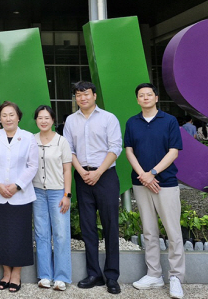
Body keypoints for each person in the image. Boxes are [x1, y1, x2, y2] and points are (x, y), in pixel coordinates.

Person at [124, 83, 185, 299]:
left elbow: (174, 152)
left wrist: (153, 172)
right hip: (141, 183)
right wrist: (143, 175)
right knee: (149, 231)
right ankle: (154, 274)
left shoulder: (169, 121)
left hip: (165, 182)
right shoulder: (132, 122)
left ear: (156, 98)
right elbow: (129, 151)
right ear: (137, 99)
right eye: (141, 95)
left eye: (149, 94)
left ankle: (176, 277)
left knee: (173, 231)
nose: (145, 97)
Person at [63, 81, 122, 295]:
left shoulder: (108, 118)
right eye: (78, 95)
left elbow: (115, 147)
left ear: (94, 96)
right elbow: (68, 149)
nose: (82, 98)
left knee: (110, 226)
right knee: (88, 228)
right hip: (83, 177)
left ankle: (112, 276)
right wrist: (81, 172)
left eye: (86, 94)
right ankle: (94, 273)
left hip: (105, 176)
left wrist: (98, 172)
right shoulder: (70, 120)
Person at [0, 101, 38, 293]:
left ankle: (17, 274)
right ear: (0, 118)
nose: (8, 118)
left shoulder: (28, 137)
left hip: (20, 195)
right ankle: (6, 272)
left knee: (19, 235)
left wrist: (16, 186)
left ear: (18, 117)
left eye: (11, 114)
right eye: (4, 115)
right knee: (0, 235)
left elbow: (33, 166)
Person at [32, 105, 72, 291]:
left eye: (47, 118)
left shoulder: (61, 141)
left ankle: (61, 277)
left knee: (61, 234)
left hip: (58, 192)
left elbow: (67, 170)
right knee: (41, 234)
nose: (43, 121)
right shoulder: (31, 140)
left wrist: (67, 194)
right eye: (40, 118)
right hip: (37, 192)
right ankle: (45, 276)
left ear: (53, 120)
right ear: (36, 120)